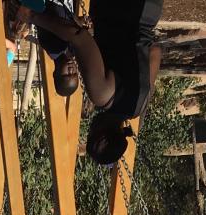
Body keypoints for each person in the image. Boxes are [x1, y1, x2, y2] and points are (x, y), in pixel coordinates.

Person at [18, 0, 163, 165]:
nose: (90, 126)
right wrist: (32, 16)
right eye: (90, 133)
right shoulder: (102, 95)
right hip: (121, 9)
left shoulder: (138, 107)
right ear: (100, 136)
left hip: (149, 12)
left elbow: (155, 51)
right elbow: (79, 37)